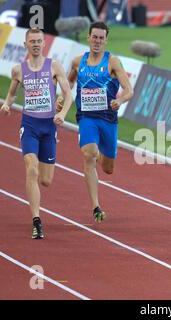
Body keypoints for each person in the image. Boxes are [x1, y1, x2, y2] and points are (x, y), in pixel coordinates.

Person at [0, 28, 72, 239]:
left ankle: (37, 209)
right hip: (29, 125)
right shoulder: (18, 70)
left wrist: (63, 115)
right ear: (25, 45)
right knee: (31, 169)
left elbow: (68, 95)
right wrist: (5, 104)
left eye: (39, 41)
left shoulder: (55, 67)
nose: (36, 44)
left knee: (46, 180)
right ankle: (37, 221)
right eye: (32, 41)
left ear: (44, 43)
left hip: (49, 127)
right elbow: (12, 95)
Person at [59, 21, 133, 222]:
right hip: (87, 118)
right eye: (94, 37)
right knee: (89, 155)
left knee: (108, 168)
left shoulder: (113, 62)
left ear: (106, 40)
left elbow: (129, 90)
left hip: (108, 120)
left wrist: (119, 100)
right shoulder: (77, 62)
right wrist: (61, 97)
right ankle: (96, 206)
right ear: (88, 38)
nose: (97, 41)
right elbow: (69, 83)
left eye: (101, 38)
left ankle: (99, 149)